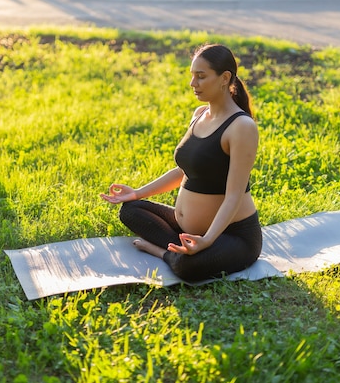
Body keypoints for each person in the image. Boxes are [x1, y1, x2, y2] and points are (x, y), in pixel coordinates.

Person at [100, 44, 262, 282]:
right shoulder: (199, 114)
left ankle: (164, 252)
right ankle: (182, 247)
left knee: (189, 268)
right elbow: (184, 172)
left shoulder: (241, 127)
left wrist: (207, 240)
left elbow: (234, 196)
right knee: (130, 211)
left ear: (224, 78)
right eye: (192, 75)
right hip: (185, 227)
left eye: (201, 76)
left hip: (231, 235)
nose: (192, 83)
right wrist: (136, 193)